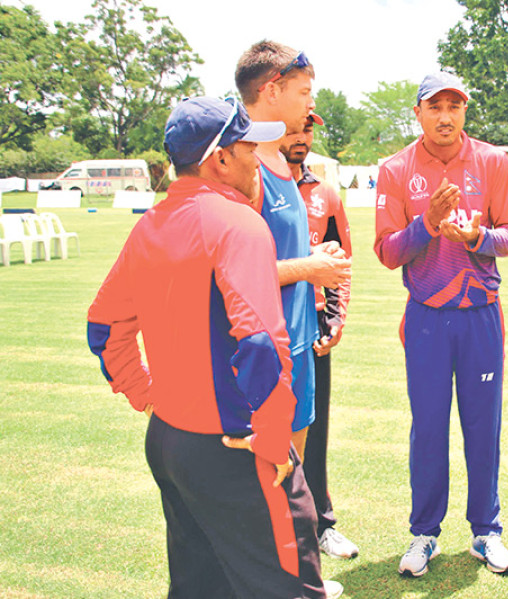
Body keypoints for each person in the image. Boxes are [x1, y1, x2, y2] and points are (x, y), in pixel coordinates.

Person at [87, 96, 330, 598]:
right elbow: (261, 340)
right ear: (220, 158)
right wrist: (270, 437)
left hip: (171, 441)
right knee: (289, 587)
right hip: (236, 447)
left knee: (201, 585)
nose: (256, 160)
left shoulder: (150, 224)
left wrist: (147, 395)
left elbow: (103, 326)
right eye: (248, 147)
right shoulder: (237, 223)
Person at [374, 71, 508, 578]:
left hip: (480, 317)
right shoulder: (396, 169)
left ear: (465, 111)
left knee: (484, 427)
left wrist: (478, 237)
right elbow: (388, 252)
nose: (445, 116)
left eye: (454, 106)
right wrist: (428, 225)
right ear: (417, 112)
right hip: (427, 321)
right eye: (434, 106)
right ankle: (424, 535)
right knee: (429, 429)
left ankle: (487, 532)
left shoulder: (492, 161)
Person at [235, 41, 351, 464]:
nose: (310, 104)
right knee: (260, 481)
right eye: (303, 93)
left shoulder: (282, 161)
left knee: (293, 477)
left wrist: (319, 257)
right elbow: (229, 274)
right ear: (271, 90)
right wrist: (309, 266)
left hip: (299, 342)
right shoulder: (241, 166)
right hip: (262, 352)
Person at [280, 113, 360, 560]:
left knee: (314, 429)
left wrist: (335, 319)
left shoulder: (325, 193)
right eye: (293, 128)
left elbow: (340, 263)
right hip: (266, 330)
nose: (300, 138)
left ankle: (321, 525)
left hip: (311, 328)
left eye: (307, 130)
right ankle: (277, 531)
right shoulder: (257, 186)